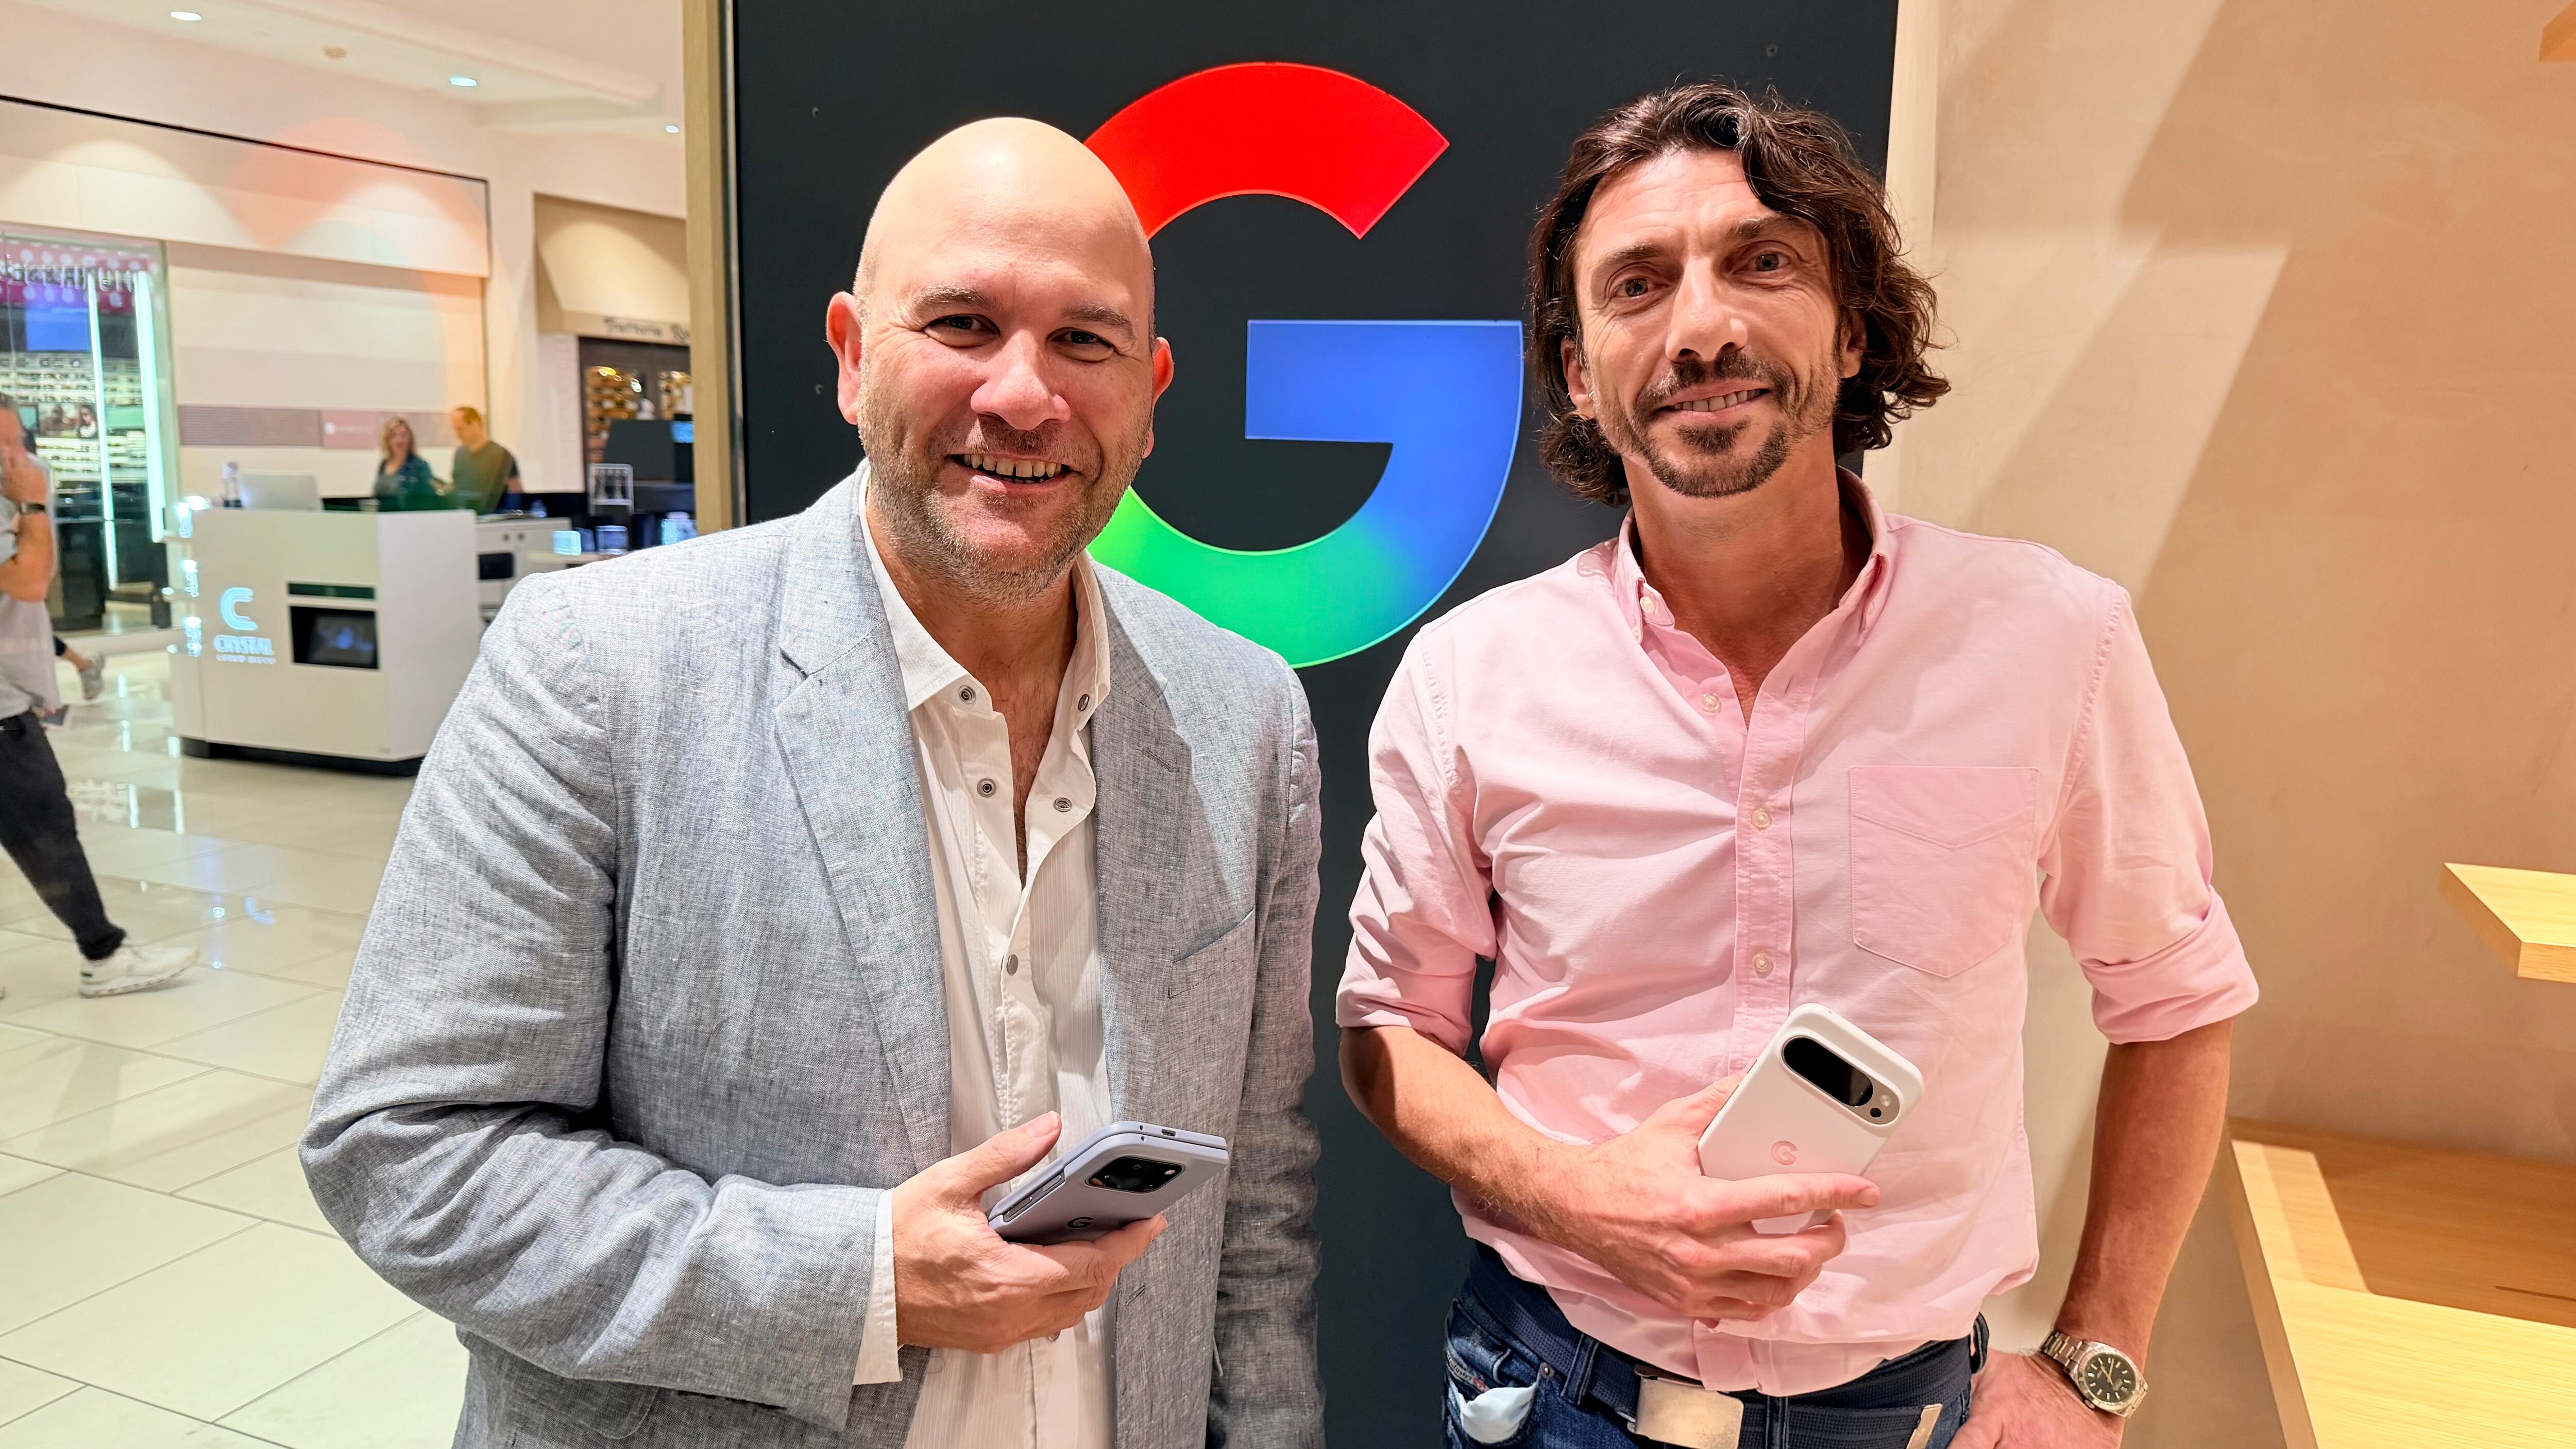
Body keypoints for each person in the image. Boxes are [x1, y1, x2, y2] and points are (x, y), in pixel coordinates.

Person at [303, 118, 1323, 1449]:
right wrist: (860, 1282)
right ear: (850, 356)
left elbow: (1253, 1200)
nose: (1024, 394)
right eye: (961, 323)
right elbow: (409, 1150)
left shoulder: (1243, 715)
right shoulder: (600, 668)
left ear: (1150, 390)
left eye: (1086, 339)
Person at [1336, 84, 2257, 1449]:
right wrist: (1574, 1193)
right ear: (1580, 371)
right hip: (1547, 1396)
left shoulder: (2053, 640)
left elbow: (2176, 1001)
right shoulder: (1474, 674)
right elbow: (1389, 1031)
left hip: (1905, 1415)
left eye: (1760, 262)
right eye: (1638, 284)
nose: (1699, 327)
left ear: (1852, 326)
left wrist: (2096, 1359)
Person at [0, 396, 197, 1000]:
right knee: (47, 831)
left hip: (12, 696)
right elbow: (30, 581)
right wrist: (33, 503)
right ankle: (104, 954)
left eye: (18, 440)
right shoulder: (21, 497)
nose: (16, 455)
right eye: (3, 444)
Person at [447, 404, 520, 515]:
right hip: (466, 516)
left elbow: (516, 490)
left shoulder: (501, 455)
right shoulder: (460, 455)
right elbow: (456, 485)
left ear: (475, 424)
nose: (458, 434)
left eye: (460, 429)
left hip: (494, 517)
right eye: (455, 430)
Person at [370, 415, 444, 510]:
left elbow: (427, 499)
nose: (399, 440)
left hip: (408, 516)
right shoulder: (384, 464)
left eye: (404, 435)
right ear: (387, 440)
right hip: (385, 516)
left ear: (410, 439)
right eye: (394, 436)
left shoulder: (420, 466)